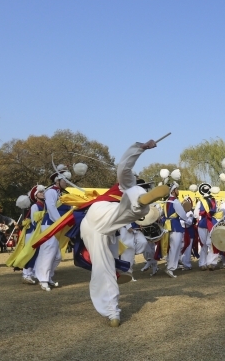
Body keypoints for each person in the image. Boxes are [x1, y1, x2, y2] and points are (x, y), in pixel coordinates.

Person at [77, 139, 170, 326]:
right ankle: (140, 203)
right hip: (103, 213)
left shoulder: (123, 188)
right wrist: (139, 148)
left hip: (100, 227)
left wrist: (139, 149)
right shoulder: (126, 184)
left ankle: (113, 313)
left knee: (104, 268)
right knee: (132, 197)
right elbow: (124, 169)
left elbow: (123, 168)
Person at [162, 183, 192, 277]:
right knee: (175, 248)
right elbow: (182, 214)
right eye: (177, 189)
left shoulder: (167, 201)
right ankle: (170, 268)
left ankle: (170, 266)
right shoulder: (175, 201)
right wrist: (188, 221)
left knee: (172, 247)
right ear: (173, 191)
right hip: (175, 226)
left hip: (167, 226)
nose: (178, 191)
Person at [193, 183, 219, 271]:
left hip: (203, 224)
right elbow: (217, 212)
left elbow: (196, 214)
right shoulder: (214, 201)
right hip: (212, 223)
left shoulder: (200, 201)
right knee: (212, 243)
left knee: (203, 245)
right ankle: (211, 262)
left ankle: (202, 264)